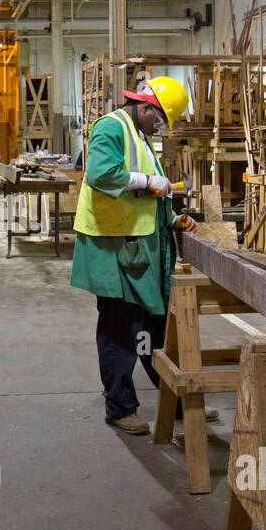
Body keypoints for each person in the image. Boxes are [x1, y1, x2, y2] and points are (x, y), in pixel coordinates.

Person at [69, 77, 197, 435]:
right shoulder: (111, 128)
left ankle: (177, 402)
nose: (160, 128)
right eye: (159, 120)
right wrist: (146, 181)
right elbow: (101, 175)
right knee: (121, 329)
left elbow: (144, 196)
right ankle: (120, 407)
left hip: (139, 245)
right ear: (145, 107)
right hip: (114, 247)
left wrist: (170, 217)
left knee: (155, 329)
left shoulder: (139, 136)